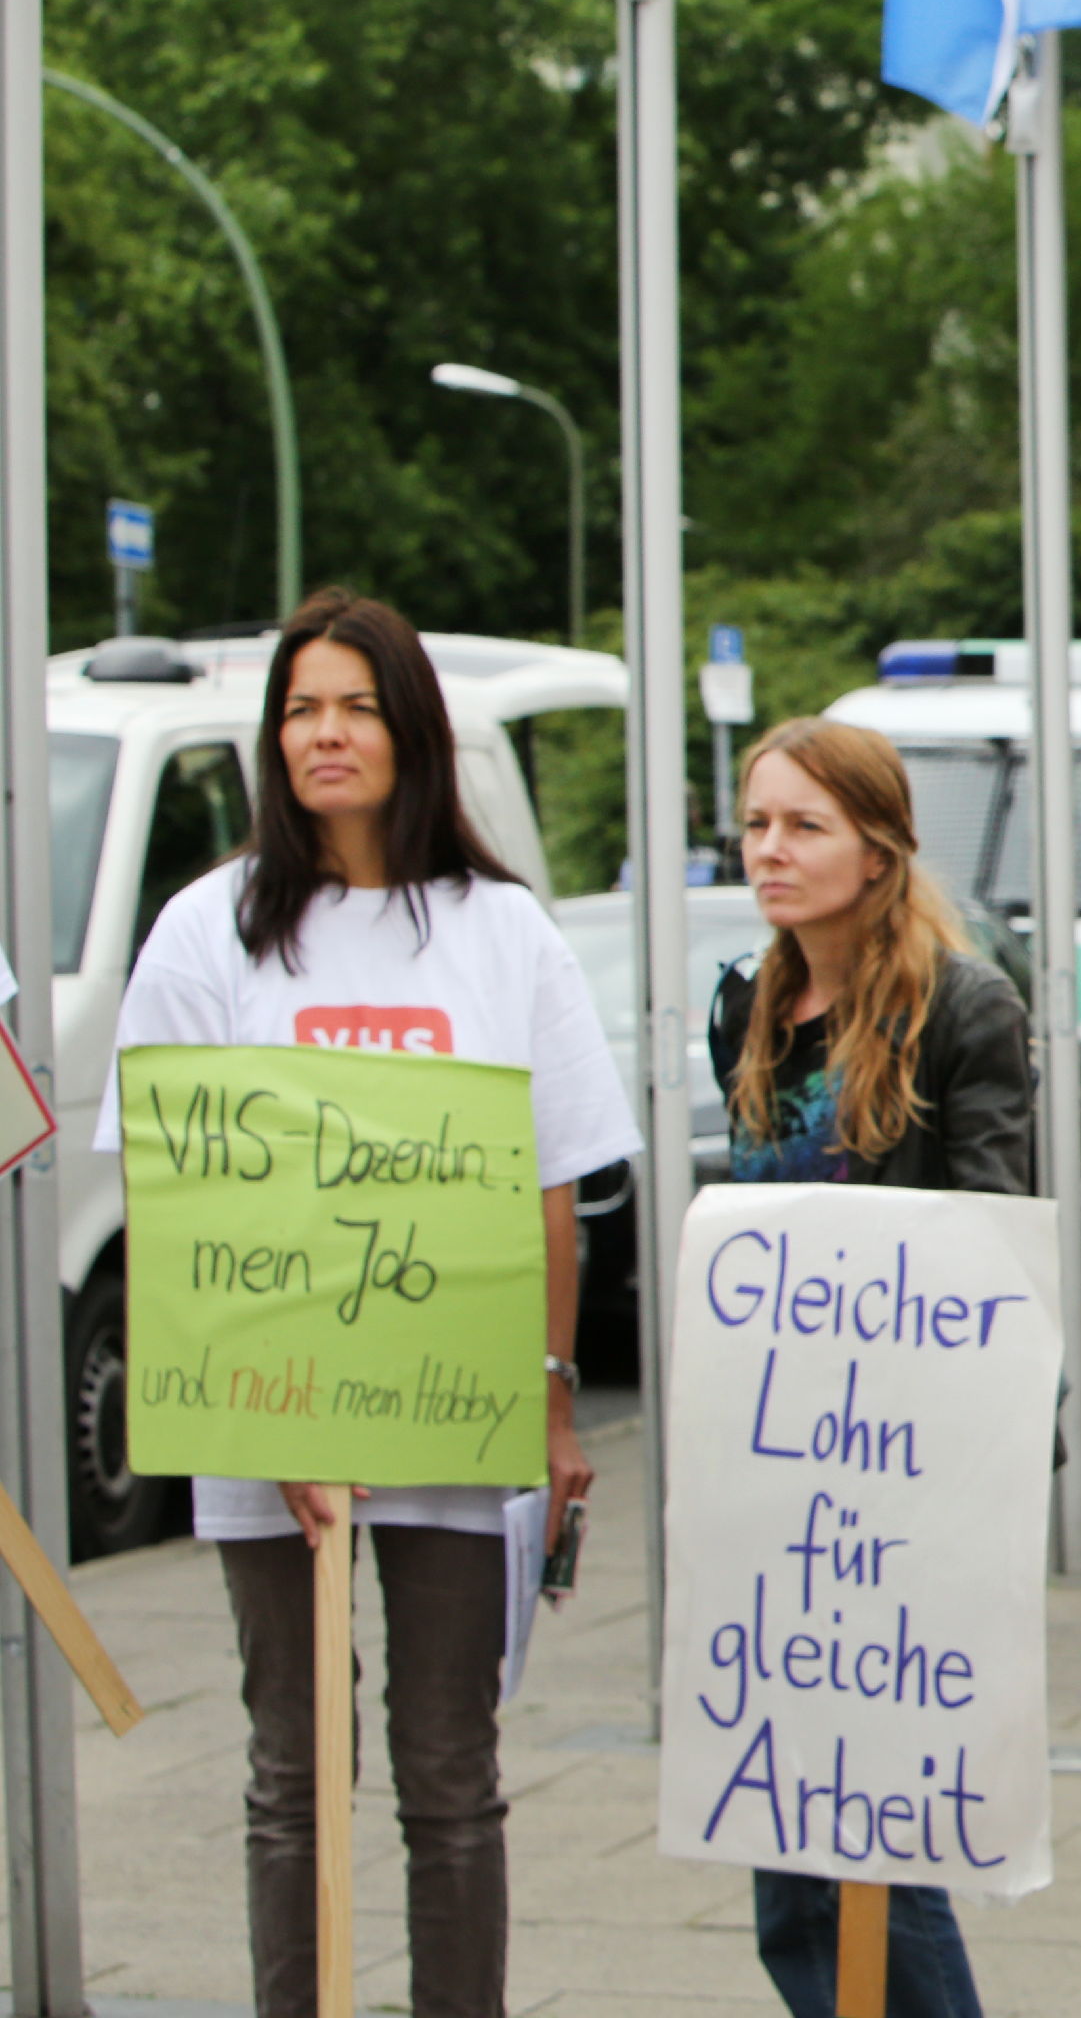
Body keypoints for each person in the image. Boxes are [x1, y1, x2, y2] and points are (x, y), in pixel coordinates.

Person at [97, 589, 638, 2018]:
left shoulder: (500, 933)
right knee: (293, 1774)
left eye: (353, 706)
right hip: (266, 1430)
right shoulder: (207, 932)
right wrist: (250, 1403)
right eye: (298, 710)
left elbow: (550, 1185)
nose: (324, 735)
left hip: (451, 1420)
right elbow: (172, 1189)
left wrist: (548, 1398)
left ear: (412, 728)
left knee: (450, 1776)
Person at [708, 716, 1034, 2018]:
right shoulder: (754, 1002)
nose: (770, 853)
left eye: (803, 826)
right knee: (787, 1859)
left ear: (878, 845)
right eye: (754, 825)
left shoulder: (963, 1006)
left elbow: (996, 1240)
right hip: (774, 1481)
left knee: (876, 1848)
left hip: (904, 1485)